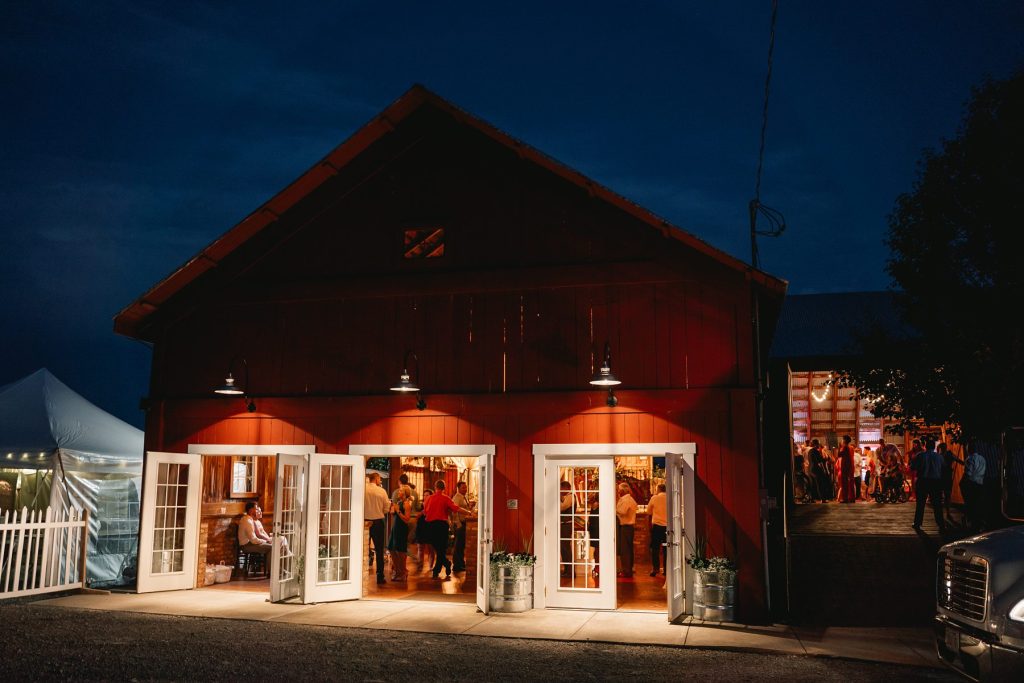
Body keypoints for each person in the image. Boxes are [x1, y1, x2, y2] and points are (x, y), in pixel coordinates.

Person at [422, 479, 472, 579]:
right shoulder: (446, 498)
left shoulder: (429, 498)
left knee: (438, 549)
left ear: (435, 487)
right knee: (441, 549)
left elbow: (425, 512)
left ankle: (437, 570)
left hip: (430, 525)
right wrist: (469, 512)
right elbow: (456, 508)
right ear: (444, 488)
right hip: (442, 526)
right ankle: (446, 564)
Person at [912, 439, 945, 532]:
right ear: (934, 447)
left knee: (920, 504)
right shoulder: (939, 457)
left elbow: (913, 467)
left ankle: (917, 523)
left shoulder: (921, 456)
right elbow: (944, 468)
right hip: (935, 482)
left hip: (923, 481)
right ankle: (941, 525)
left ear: (925, 446)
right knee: (937, 505)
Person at [364, 471, 391, 584]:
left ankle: (358, 573)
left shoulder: (363, 489)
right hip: (378, 522)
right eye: (379, 479)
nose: (380, 481)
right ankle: (380, 575)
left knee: (362, 548)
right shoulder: (381, 491)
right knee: (379, 549)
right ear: (376, 479)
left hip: (364, 521)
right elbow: (386, 509)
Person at [387, 485, 413, 580]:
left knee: (401, 551)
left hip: (402, 528)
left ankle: (402, 572)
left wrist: (398, 511)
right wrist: (392, 510)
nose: (398, 492)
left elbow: (407, 519)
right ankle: (397, 570)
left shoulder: (407, 504)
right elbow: (394, 515)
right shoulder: (398, 502)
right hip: (395, 528)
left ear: (405, 493)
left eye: (401, 491)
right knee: (391, 549)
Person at [961, 443, 987, 533]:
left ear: (969, 449)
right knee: (978, 504)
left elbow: (968, 473)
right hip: (980, 483)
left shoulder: (970, 459)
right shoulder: (982, 458)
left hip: (971, 484)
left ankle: (972, 525)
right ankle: (979, 524)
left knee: (970, 504)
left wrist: (962, 483)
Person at [615, 482, 637, 578]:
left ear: (623, 491)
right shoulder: (627, 499)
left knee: (625, 550)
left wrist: (614, 508)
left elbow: (622, 511)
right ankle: (628, 568)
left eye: (619, 489)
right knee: (627, 549)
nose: (618, 491)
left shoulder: (627, 500)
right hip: (626, 527)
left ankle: (626, 570)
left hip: (626, 526)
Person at [938, 442, 964, 521]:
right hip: (944, 476)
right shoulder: (944, 455)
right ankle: (947, 512)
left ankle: (946, 512)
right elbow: (959, 460)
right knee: (946, 494)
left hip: (944, 476)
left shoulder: (943, 455)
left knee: (945, 494)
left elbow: (958, 460)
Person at [450, 480, 470, 572]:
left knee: (461, 545)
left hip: (463, 523)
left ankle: (461, 563)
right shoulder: (457, 497)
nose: (465, 489)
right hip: (459, 524)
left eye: (466, 487)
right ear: (458, 488)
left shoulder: (463, 497)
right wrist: (458, 524)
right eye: (463, 487)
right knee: (458, 545)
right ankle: (457, 565)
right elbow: (454, 511)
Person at [647, 483, 667, 576]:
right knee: (666, 547)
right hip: (667, 528)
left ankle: (656, 569)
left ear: (658, 489)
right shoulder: (669, 498)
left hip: (657, 527)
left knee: (655, 548)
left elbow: (649, 511)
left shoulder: (654, 498)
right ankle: (667, 569)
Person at [415, 488, 435, 569]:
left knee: (431, 548)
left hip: (430, 528)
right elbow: (416, 516)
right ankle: (420, 565)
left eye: (427, 495)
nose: (425, 497)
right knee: (420, 548)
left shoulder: (434, 505)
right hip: (421, 527)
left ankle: (431, 566)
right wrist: (422, 512)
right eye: (424, 495)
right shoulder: (420, 505)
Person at [559, 481, 575, 578]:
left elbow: (562, 507)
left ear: (566, 488)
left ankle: (570, 571)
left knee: (565, 548)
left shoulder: (570, 497)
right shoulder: (567, 497)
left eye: (561, 488)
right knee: (564, 548)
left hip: (566, 525)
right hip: (564, 524)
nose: (560, 490)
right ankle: (567, 570)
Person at [838, 435, 856, 503]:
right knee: (851, 483)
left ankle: (845, 498)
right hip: (850, 467)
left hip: (845, 467)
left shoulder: (844, 447)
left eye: (842, 439)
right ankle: (852, 498)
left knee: (845, 483)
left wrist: (839, 447)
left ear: (844, 440)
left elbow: (839, 455)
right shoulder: (851, 448)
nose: (841, 441)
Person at [586, 493, 600, 579]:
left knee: (597, 549)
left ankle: (598, 566)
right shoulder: (596, 504)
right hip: (596, 529)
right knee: (597, 549)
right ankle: (598, 566)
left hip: (596, 529)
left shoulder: (596, 504)